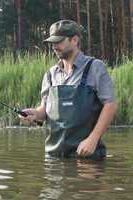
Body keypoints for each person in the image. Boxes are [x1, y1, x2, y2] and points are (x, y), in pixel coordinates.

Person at [20, 20, 117, 159]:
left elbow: (110, 105)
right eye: (52, 43)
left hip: (88, 156)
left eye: (58, 41)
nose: (54, 46)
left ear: (75, 40)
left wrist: (93, 139)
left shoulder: (95, 67)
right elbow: (45, 109)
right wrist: (34, 114)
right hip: (54, 157)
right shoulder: (50, 74)